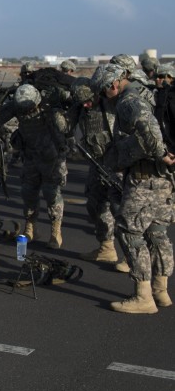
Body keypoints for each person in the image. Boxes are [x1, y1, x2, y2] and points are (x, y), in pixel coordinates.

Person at [99, 63, 175, 314]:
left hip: (143, 178)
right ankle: (161, 291)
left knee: (130, 231)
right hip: (164, 180)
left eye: (103, 90)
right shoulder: (148, 93)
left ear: (113, 84)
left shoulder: (127, 101)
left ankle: (143, 296)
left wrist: (161, 153)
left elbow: (149, 128)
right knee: (157, 233)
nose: (103, 96)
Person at [6, 84, 70, 249]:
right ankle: (30, 227)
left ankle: (56, 231)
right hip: (31, 156)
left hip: (51, 158)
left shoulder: (49, 109)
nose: (26, 112)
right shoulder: (18, 107)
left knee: (51, 194)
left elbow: (64, 131)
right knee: (28, 193)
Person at [69, 74, 122, 263]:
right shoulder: (81, 108)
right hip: (96, 165)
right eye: (81, 102)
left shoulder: (113, 107)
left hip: (117, 166)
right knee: (95, 205)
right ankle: (106, 247)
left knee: (123, 212)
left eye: (89, 101)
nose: (86, 105)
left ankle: (134, 258)